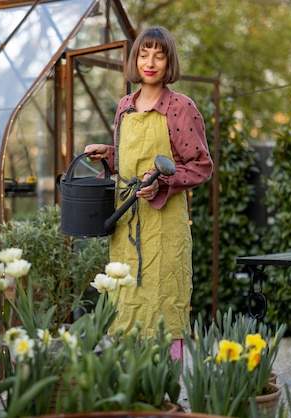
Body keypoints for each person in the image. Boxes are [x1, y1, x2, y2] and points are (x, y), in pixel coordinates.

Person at [84, 26, 213, 360]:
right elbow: (129, 161)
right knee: (127, 305)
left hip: (165, 224)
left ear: (169, 61)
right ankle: (131, 392)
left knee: (164, 303)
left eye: (159, 54)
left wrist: (162, 183)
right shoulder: (124, 107)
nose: (150, 62)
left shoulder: (180, 107)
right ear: (135, 59)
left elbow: (200, 165)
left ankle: (166, 393)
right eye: (144, 54)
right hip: (127, 222)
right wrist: (108, 155)